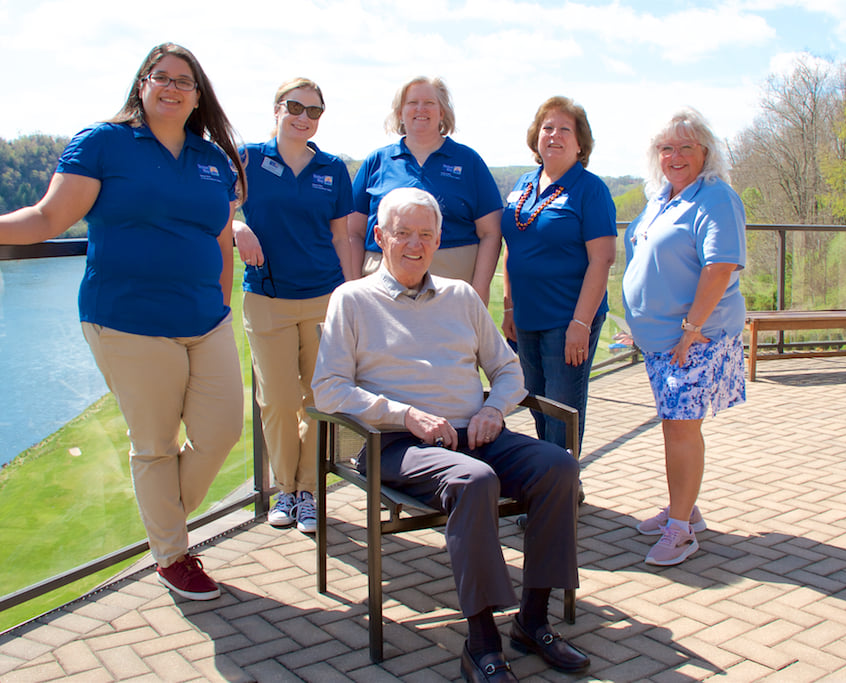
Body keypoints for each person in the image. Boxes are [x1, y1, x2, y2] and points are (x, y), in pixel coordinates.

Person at [0, 43, 247, 600]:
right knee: (155, 444)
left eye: (184, 81)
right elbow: (48, 216)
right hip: (128, 321)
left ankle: (162, 522)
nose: (171, 87)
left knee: (222, 431)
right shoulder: (104, 143)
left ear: (198, 96)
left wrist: (220, 302)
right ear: (142, 85)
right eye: (161, 77)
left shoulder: (213, 159)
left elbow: (219, 239)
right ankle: (172, 555)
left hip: (206, 319)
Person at [313, 187, 589, 681]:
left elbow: (509, 370)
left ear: (439, 240)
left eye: (426, 234)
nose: (415, 245)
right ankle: (481, 645)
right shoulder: (351, 300)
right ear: (379, 236)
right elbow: (328, 389)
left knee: (559, 468)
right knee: (474, 481)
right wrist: (404, 415)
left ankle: (533, 621)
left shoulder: (461, 297)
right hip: (397, 444)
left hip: (475, 434)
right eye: (402, 233)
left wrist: (495, 409)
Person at [622, 107, 747, 566]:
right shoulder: (663, 197)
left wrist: (691, 329)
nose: (675, 156)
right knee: (675, 426)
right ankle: (685, 508)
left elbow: (719, 268)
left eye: (685, 147)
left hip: (695, 338)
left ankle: (680, 531)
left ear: (705, 152)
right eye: (666, 148)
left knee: (680, 428)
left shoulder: (715, 198)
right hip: (662, 341)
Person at [233, 78, 353, 534]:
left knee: (319, 399)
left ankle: (308, 492)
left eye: (314, 111)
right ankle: (284, 488)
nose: (304, 117)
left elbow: (341, 237)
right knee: (279, 401)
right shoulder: (247, 159)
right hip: (268, 298)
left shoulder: (332, 169)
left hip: (323, 297)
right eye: (295, 107)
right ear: (277, 109)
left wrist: (351, 294)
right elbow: (214, 209)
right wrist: (237, 227)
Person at [501, 96, 616, 462]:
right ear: (536, 136)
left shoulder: (590, 189)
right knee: (536, 401)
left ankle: (561, 486)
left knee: (562, 410)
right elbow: (512, 248)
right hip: (526, 317)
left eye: (565, 129)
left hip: (568, 320)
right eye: (547, 127)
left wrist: (580, 324)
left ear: (580, 143)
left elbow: (602, 259)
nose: (554, 135)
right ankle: (555, 478)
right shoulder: (524, 183)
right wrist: (509, 307)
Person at [348, 76, 502, 304]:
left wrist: (477, 294)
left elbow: (491, 233)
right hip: (383, 284)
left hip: (451, 284)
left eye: (429, 103)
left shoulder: (468, 161)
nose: (421, 109)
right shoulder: (377, 161)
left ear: (442, 112)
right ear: (400, 112)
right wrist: (353, 288)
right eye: (412, 102)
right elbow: (353, 232)